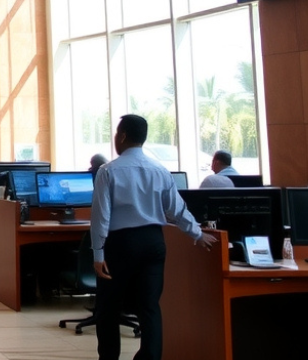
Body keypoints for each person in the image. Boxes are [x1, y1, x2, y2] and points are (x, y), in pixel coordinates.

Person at [91, 114, 216, 360]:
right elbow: (177, 210)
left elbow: (101, 217)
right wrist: (198, 234)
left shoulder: (107, 171)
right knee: (149, 307)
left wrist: (97, 253)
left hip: (120, 245)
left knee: (108, 307)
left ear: (122, 136)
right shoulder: (160, 171)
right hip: (153, 242)